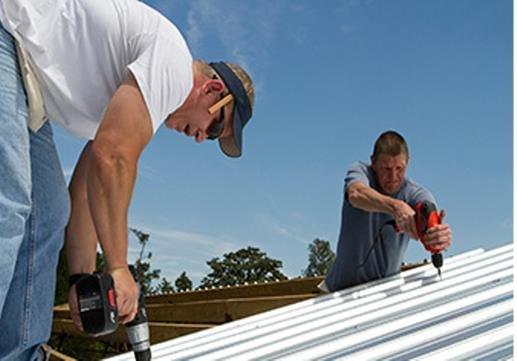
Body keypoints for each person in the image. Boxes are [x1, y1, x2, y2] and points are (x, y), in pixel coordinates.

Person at [0, 0, 255, 359]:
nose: (201, 137)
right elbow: (113, 155)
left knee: (51, 212)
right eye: (214, 128)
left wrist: (82, 279)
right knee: (8, 204)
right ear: (212, 90)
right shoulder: (175, 68)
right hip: (8, 34)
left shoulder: (137, 96)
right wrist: (117, 266)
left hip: (27, 83)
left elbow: (88, 193)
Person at [321, 131, 452, 293]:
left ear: (408, 163)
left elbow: (430, 217)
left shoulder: (416, 194)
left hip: (383, 293)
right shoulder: (361, 172)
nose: (393, 176)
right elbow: (356, 194)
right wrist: (395, 207)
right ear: (373, 162)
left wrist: (436, 236)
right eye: (386, 169)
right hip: (337, 290)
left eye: (399, 168)